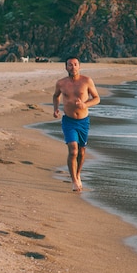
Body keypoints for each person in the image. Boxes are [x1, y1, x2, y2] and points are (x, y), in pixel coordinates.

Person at [52, 57, 100, 191]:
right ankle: (74, 180)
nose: (73, 67)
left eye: (75, 64)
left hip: (83, 121)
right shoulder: (61, 83)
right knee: (73, 150)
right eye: (70, 65)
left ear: (79, 66)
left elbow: (97, 98)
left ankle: (78, 173)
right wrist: (55, 108)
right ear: (66, 67)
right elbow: (56, 96)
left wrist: (84, 104)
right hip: (69, 121)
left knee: (81, 152)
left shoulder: (87, 81)